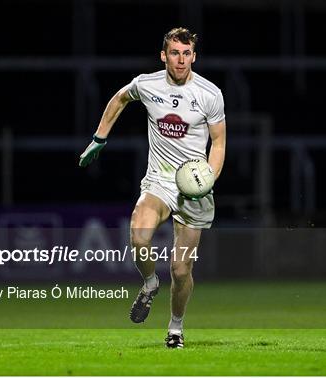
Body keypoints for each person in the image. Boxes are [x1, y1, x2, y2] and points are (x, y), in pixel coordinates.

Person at [79, 27, 226, 349]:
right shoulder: (147, 84)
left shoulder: (210, 94)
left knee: (181, 268)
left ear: (194, 57)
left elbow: (218, 142)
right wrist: (99, 139)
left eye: (186, 54)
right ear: (164, 55)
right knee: (138, 234)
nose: (181, 60)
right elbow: (119, 98)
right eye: (175, 53)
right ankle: (149, 283)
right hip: (159, 180)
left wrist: (208, 179)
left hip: (194, 187)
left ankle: (175, 328)